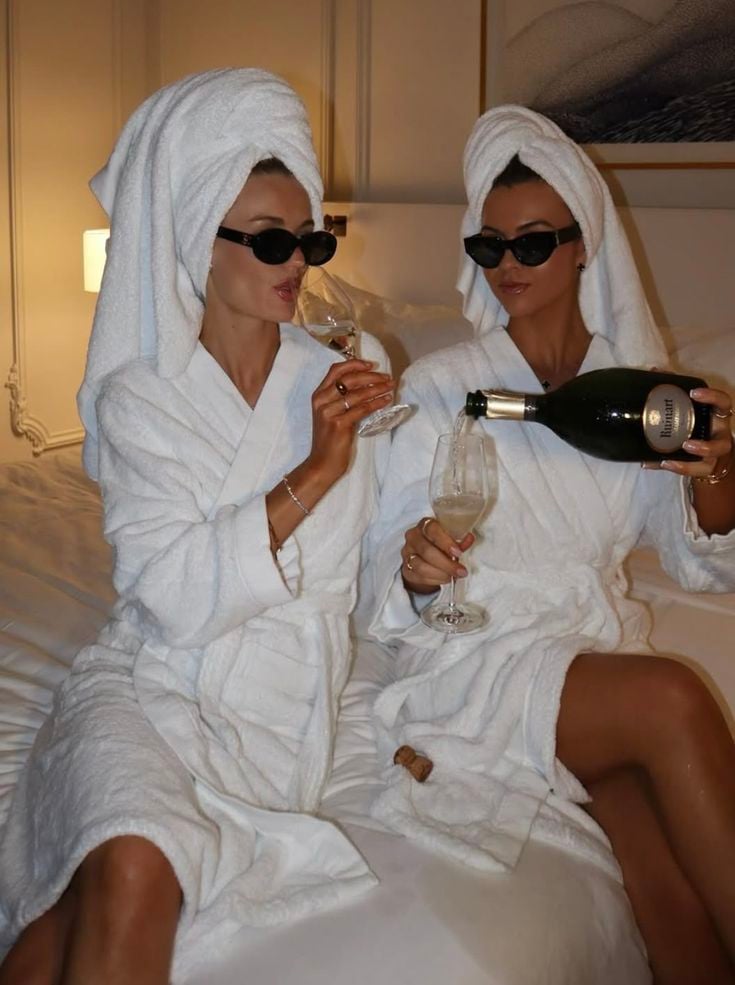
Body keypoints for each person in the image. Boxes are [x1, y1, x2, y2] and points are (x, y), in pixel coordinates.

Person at [0, 69, 394, 985]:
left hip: (269, 721)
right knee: (127, 864)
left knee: (85, 901)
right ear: (196, 240)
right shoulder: (142, 397)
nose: (296, 263)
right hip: (151, 686)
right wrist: (314, 470)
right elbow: (173, 598)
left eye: (309, 238)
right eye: (269, 239)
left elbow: (379, 564)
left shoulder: (347, 371)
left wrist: (419, 572)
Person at [365, 105, 735, 984]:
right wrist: (418, 567)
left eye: (531, 243)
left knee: (667, 891)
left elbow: (697, 556)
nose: (508, 265)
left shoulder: (637, 393)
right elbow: (389, 562)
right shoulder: (441, 385)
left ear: (580, 247)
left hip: (586, 659)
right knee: (673, 697)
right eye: (488, 246)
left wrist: (719, 465)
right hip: (477, 659)